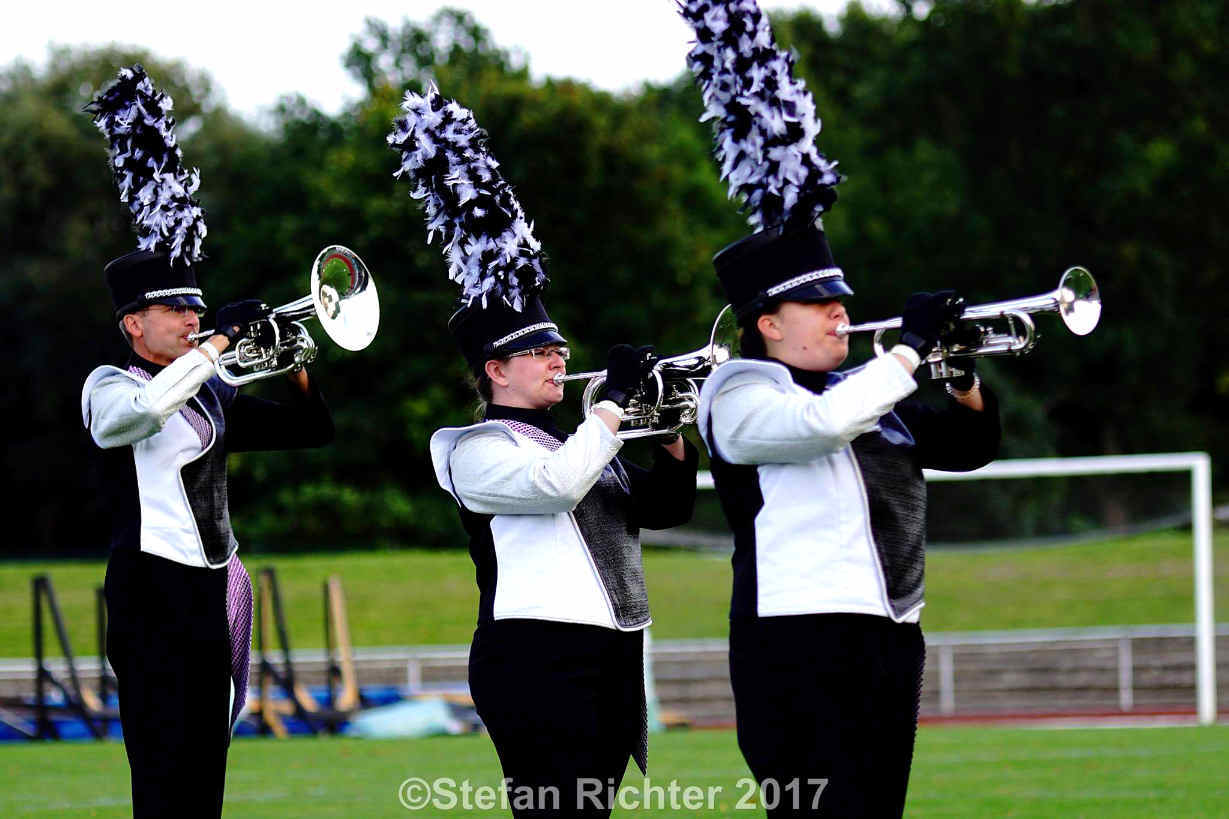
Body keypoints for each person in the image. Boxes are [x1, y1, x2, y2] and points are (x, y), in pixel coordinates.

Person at [695, 223, 1001, 817]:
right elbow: (820, 427)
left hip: (887, 631)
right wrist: (909, 349)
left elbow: (968, 446)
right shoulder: (737, 394)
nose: (839, 313)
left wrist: (960, 374)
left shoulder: (861, 389)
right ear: (769, 324)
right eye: (816, 303)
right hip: (793, 637)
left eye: (840, 300)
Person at [81, 248, 334, 817]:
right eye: (175, 309)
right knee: (161, 766)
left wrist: (290, 355)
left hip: (207, 595)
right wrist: (221, 343)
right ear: (134, 323)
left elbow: (311, 430)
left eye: (197, 308)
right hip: (148, 591)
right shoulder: (109, 385)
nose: (193, 320)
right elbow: (144, 411)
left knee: (205, 768)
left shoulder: (210, 397)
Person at [428, 295, 699, 817]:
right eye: (539, 351)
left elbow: (668, 506)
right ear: (496, 370)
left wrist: (668, 433)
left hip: (611, 655)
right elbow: (558, 486)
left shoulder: (581, 443)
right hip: (534, 656)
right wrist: (613, 400)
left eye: (561, 349)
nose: (559, 360)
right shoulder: (477, 448)